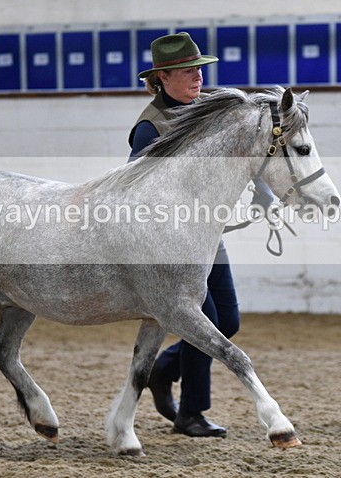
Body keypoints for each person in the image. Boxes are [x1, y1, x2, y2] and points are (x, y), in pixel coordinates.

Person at [128, 32, 239, 438]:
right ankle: (191, 413)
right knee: (206, 321)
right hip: (173, 248)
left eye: (199, 69)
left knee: (228, 320)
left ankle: (164, 368)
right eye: (188, 71)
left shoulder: (208, 111)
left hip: (207, 238)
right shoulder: (149, 127)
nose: (197, 77)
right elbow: (134, 193)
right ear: (162, 77)